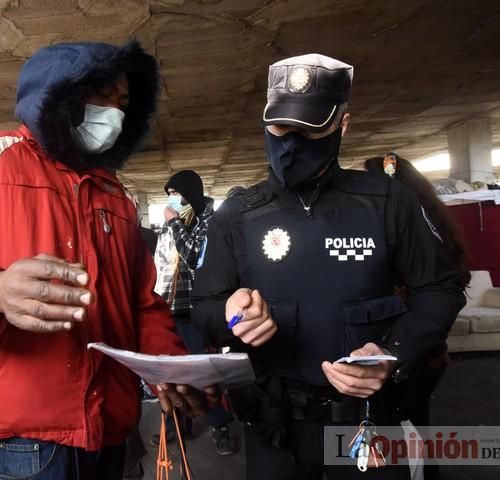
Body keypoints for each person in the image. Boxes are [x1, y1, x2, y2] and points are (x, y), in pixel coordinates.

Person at [0, 40, 215, 479]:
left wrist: (168, 364)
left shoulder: (116, 193)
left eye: (123, 103)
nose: (115, 113)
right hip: (30, 432)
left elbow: (140, 302)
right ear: (58, 93)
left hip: (114, 423)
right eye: (101, 96)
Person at [191, 53, 466, 480]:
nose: (293, 142)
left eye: (311, 127)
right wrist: (231, 316)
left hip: (365, 423)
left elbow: (441, 288)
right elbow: (204, 305)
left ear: (343, 123)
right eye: (281, 127)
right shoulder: (237, 214)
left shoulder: (387, 202)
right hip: (274, 427)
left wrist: (393, 352)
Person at [365, 152, 471, 480]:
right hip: (428, 349)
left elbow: (430, 293)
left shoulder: (404, 230)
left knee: (399, 426)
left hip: (407, 352)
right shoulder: (433, 222)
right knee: (415, 423)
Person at [153, 170, 237, 456]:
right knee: (172, 374)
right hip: (169, 311)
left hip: (196, 312)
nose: (173, 201)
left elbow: (194, 257)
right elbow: (160, 267)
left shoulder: (209, 223)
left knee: (203, 373)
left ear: (192, 195)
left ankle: (221, 426)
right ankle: (176, 426)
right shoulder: (168, 227)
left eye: (177, 194)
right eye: (169, 196)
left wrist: (175, 223)